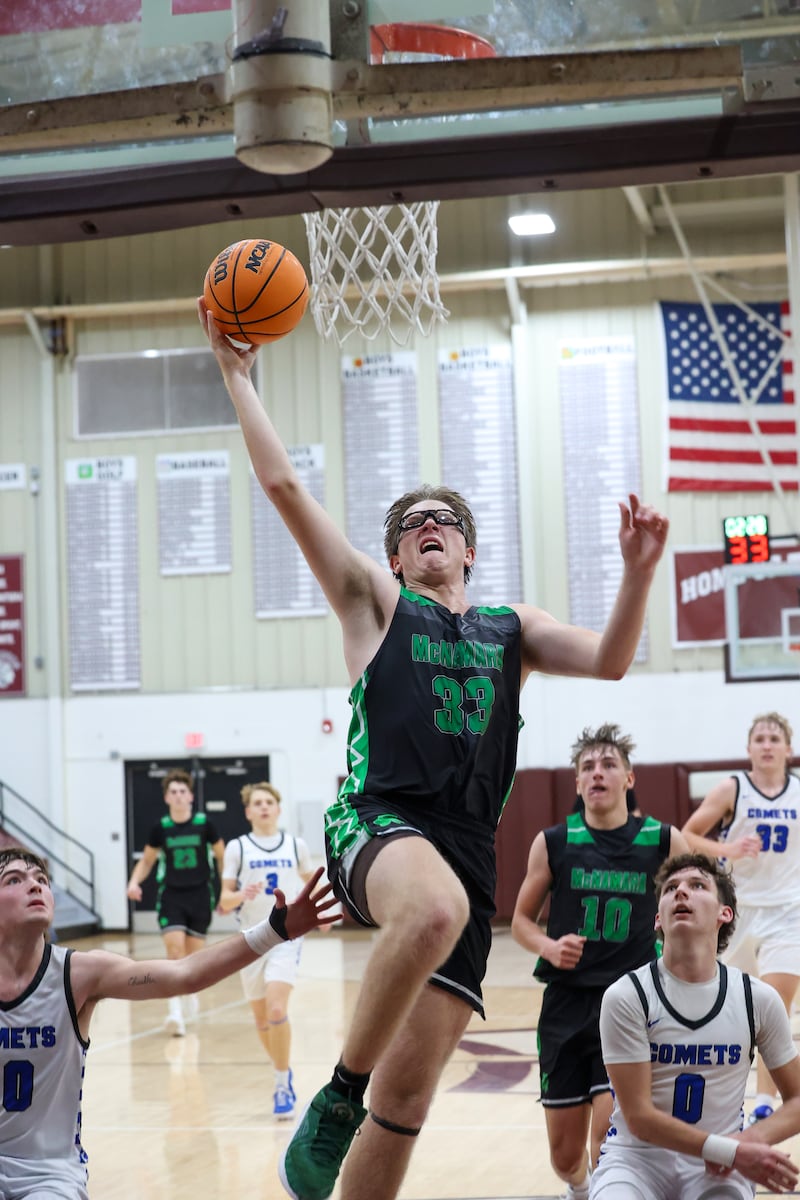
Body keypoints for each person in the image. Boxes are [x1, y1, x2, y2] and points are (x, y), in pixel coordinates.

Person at [198, 296, 670, 1200]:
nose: (426, 523)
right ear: (397, 555)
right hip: (378, 817)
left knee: (409, 1096)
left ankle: (358, 1134)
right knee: (432, 914)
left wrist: (640, 571)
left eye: (441, 517)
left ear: (467, 547)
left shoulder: (510, 626)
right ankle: (336, 1093)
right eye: (409, 521)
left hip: (463, 845)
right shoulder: (375, 603)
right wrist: (236, 375)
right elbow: (286, 489)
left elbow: (611, 662)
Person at [0, 844, 336, 1200]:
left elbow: (184, 974)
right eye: (14, 880)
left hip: (49, 1176)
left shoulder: (76, 974)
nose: (35, 886)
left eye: (41, 879)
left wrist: (273, 930)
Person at [511, 724, 688, 1199]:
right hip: (567, 1005)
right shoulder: (554, 842)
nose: (597, 773)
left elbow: (692, 908)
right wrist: (547, 946)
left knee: (608, 1136)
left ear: (629, 778)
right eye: (587, 766)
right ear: (577, 783)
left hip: (632, 1004)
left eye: (609, 764)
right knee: (565, 1157)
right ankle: (579, 1188)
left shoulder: (663, 841)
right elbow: (520, 921)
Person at [590, 853, 800, 1199]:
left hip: (719, 1169)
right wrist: (727, 1150)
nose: (681, 892)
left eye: (697, 885)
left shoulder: (756, 998)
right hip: (636, 1160)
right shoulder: (627, 995)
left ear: (725, 913)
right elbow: (639, 1118)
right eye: (671, 888)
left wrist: (748, 1141)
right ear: (658, 919)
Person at [681, 711, 800, 1124]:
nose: (767, 745)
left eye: (774, 738)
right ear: (749, 749)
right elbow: (688, 835)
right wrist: (728, 850)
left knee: (775, 1008)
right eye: (760, 738)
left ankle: (766, 1103)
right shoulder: (733, 788)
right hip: (738, 913)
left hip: (788, 913)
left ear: (789, 748)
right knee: (726, 1009)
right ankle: (716, 1096)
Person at [219, 781, 316, 1120]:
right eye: (257, 803)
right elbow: (224, 900)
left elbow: (308, 880)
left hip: (285, 935)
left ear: (277, 808)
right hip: (250, 938)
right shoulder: (237, 848)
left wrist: (318, 910)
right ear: (248, 812)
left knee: (276, 1009)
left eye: (268, 802)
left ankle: (281, 1084)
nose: (263, 807)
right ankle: (282, 1070)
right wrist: (242, 894)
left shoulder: (295, 845)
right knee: (261, 1019)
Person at [126, 767, 225, 1036]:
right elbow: (147, 860)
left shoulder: (205, 824)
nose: (179, 796)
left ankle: (188, 993)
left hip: (201, 895)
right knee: (174, 954)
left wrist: (226, 888)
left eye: (183, 791)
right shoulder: (161, 829)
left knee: (192, 959)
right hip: (171, 895)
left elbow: (221, 856)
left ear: (191, 796)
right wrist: (134, 882)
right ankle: (175, 1013)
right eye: (173, 792)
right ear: (167, 798)